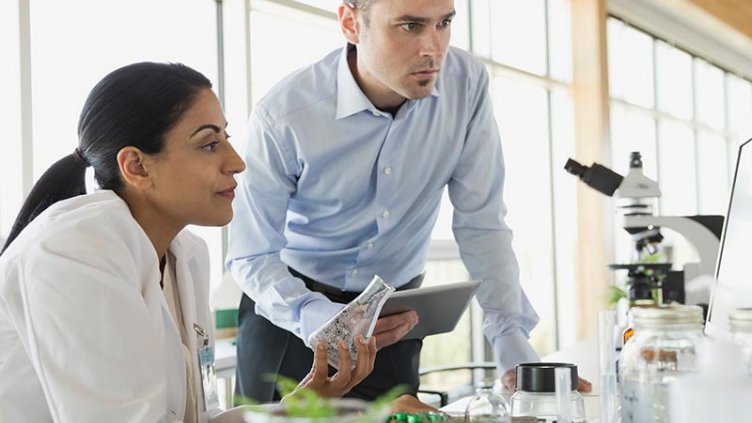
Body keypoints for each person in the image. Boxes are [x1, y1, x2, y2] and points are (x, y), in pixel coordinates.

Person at [227, 0, 591, 403]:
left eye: (444, 23)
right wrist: (316, 317)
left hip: (392, 321)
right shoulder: (285, 114)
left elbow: (482, 222)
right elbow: (251, 253)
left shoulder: (465, 84)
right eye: (410, 26)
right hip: (291, 317)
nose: (432, 48)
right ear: (351, 23)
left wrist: (509, 338)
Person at [0, 62, 377, 423]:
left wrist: (298, 407)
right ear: (137, 166)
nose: (236, 162)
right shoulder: (74, 252)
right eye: (209, 144)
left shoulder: (188, 254)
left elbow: (196, 418)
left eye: (225, 138)